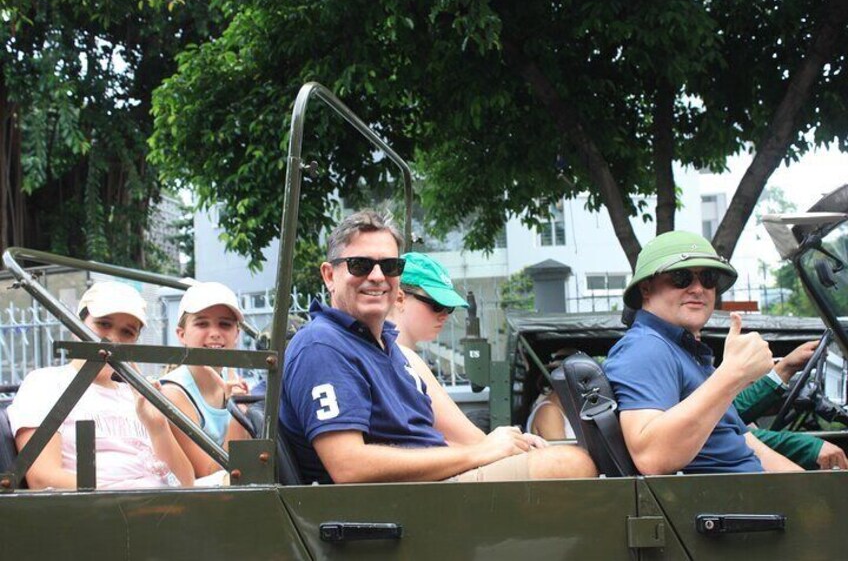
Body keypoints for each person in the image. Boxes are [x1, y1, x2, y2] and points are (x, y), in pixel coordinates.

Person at [280, 210, 597, 484]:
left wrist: (499, 447)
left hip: (427, 490)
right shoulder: (322, 345)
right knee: (568, 466)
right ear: (328, 275)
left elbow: (467, 441)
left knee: (564, 455)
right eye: (360, 265)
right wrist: (478, 453)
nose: (377, 277)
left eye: (389, 266)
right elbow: (349, 466)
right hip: (396, 506)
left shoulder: (384, 348)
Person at [604, 230, 804, 474]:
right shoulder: (646, 348)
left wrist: (813, 495)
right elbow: (652, 457)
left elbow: (742, 441)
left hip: (752, 499)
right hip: (725, 507)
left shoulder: (682, 351)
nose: (698, 289)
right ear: (646, 288)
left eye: (708, 278)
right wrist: (732, 373)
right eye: (681, 276)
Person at [7, 282, 194, 489]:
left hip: (163, 509)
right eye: (103, 324)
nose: (113, 338)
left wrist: (157, 426)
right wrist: (131, 497)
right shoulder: (45, 382)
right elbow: (43, 478)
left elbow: (186, 483)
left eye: (127, 332)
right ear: (76, 327)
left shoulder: (137, 396)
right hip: (102, 512)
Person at [387, 252, 492, 446]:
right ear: (399, 298)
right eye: (436, 305)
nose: (445, 315)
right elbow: (474, 441)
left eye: (448, 308)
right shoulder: (401, 356)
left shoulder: (395, 354)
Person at [160, 282, 251, 477]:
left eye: (225, 324)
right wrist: (239, 414)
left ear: (237, 334)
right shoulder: (173, 393)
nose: (215, 333)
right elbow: (210, 473)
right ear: (181, 334)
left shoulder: (233, 378)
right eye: (202, 323)